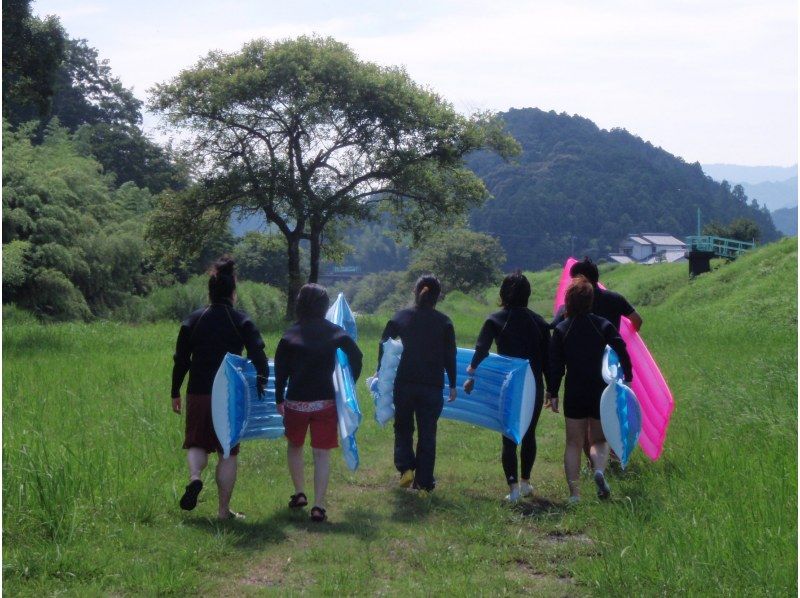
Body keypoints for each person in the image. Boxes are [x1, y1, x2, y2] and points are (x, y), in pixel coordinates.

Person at [171, 256, 269, 519]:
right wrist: (262, 378)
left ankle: (194, 477)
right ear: (233, 293)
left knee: (196, 443)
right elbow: (258, 352)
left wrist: (174, 391)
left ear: (210, 291)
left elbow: (181, 359)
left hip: (198, 392)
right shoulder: (241, 321)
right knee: (228, 451)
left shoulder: (193, 320)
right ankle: (223, 511)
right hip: (229, 396)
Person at [274, 284, 363, 522]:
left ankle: (299, 493)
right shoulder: (335, 332)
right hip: (325, 402)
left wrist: (278, 398)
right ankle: (318, 506)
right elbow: (357, 356)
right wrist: (348, 384)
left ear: (300, 304)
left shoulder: (290, 334)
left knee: (295, 446)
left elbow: (281, 371)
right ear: (325, 306)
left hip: (296, 402)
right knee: (321, 454)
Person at [463, 271, 550, 502]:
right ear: (528, 295)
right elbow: (549, 359)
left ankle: (512, 490)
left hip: (509, 386)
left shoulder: (495, 319)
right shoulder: (540, 322)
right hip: (534, 385)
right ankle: (526, 483)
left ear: (503, 294)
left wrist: (471, 369)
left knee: (509, 436)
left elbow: (482, 349)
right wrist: (551, 389)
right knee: (529, 435)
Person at [546, 276, 633, 503]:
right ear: (590, 301)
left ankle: (575, 495)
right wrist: (629, 378)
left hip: (575, 391)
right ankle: (599, 472)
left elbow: (556, 365)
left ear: (569, 301)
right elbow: (622, 350)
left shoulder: (562, 329)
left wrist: (552, 392)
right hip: (599, 392)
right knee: (598, 440)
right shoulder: (604, 325)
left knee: (573, 443)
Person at [378, 275, 457, 492]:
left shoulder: (400, 317)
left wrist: (379, 373)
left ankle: (405, 470)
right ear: (438, 295)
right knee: (427, 433)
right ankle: (424, 482)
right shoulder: (444, 322)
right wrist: (452, 383)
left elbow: (384, 346)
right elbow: (450, 355)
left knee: (403, 428)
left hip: (404, 384)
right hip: (432, 386)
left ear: (416, 291)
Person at [552, 257, 643, 332]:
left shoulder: (574, 302)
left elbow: (555, 326)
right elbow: (637, 320)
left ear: (580, 279)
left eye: (573, 279)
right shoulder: (616, 298)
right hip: (610, 351)